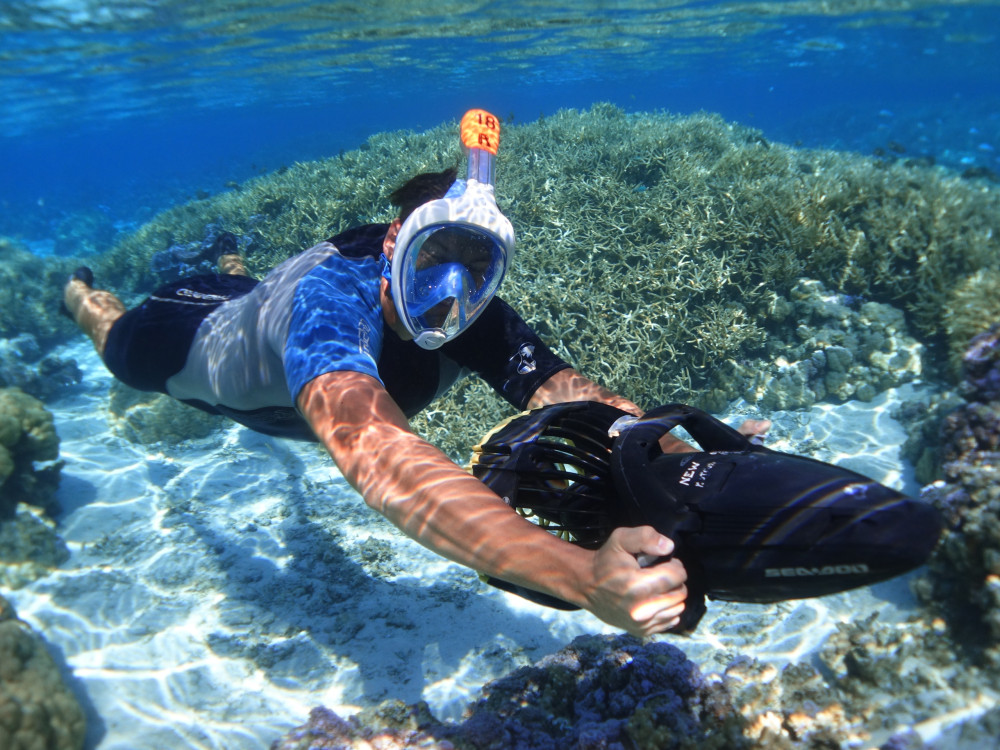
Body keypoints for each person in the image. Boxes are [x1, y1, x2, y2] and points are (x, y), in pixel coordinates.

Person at [63, 118, 767, 637]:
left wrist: (681, 454)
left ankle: (231, 260)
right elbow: (381, 452)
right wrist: (580, 576)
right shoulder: (328, 305)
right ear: (396, 243)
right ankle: (76, 288)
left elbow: (569, 394)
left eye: (478, 269)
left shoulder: (468, 307)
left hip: (259, 332)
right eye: (434, 261)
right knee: (114, 340)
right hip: (185, 341)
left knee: (240, 285)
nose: (450, 296)